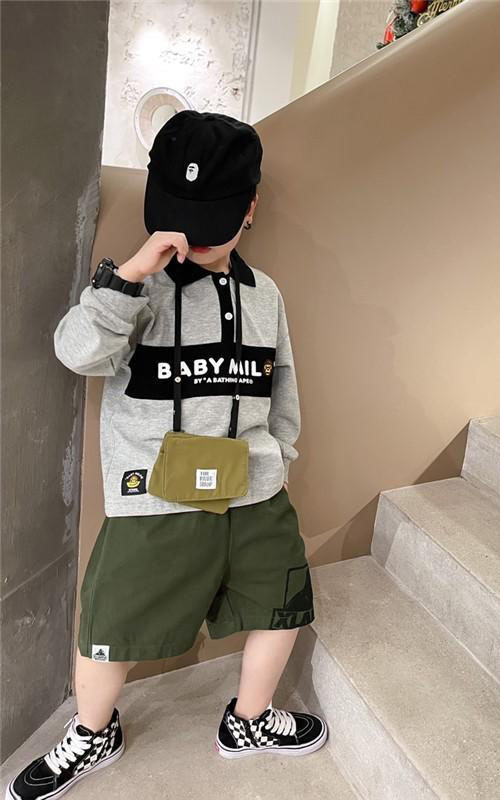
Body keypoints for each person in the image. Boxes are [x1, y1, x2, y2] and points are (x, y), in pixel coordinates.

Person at [4, 111, 327, 800]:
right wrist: (128, 276)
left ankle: (250, 720)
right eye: (181, 215)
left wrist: (280, 457)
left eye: (212, 218)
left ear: (249, 209)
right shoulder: (134, 290)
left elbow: (282, 385)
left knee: (283, 603)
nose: (195, 235)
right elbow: (77, 352)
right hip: (154, 497)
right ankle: (93, 732)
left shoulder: (266, 294)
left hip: (254, 490)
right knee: (110, 625)